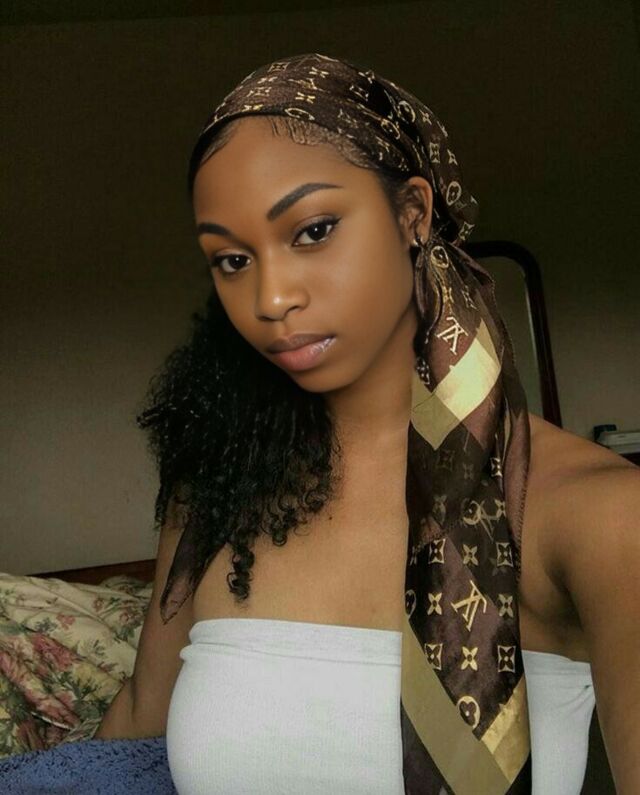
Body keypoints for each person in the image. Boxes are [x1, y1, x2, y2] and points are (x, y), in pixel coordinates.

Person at [96, 53, 640, 794]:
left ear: (413, 213)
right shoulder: (219, 489)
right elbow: (135, 724)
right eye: (231, 259)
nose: (271, 298)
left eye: (313, 230)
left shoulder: (597, 514)